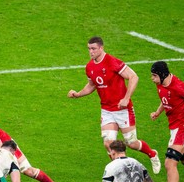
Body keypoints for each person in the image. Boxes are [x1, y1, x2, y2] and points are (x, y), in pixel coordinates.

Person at [67, 36, 161, 174]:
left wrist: (126, 98)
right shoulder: (90, 67)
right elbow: (92, 85)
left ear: (101, 48)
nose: (91, 52)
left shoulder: (112, 62)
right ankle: (119, 171)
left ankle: (152, 154)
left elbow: (134, 76)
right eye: (89, 49)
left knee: (131, 142)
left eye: (93, 49)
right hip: (106, 110)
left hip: (122, 109)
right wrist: (77, 94)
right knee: (108, 143)